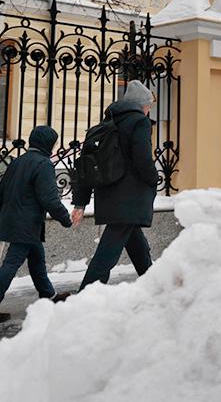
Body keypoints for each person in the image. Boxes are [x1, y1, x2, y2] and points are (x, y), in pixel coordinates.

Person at [0, 125, 73, 325]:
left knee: (37, 260)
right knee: (11, 264)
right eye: (53, 143)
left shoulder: (18, 162)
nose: (54, 147)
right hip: (27, 224)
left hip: (15, 222)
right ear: (47, 143)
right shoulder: (43, 164)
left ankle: (49, 296)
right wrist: (65, 218)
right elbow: (49, 199)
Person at [71, 80, 159, 289]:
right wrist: (153, 178)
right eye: (148, 105)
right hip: (130, 196)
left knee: (134, 240)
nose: (148, 110)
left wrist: (80, 203)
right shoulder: (139, 122)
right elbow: (143, 159)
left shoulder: (105, 125)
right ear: (141, 105)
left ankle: (154, 284)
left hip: (109, 194)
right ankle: (87, 293)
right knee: (108, 250)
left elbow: (86, 165)